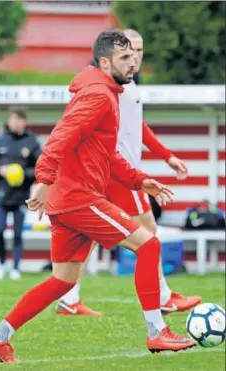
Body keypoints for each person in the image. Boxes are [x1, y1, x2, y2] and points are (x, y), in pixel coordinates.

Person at [0, 29, 196, 363]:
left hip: (70, 200)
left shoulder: (105, 92)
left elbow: (107, 155)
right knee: (149, 244)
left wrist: (139, 180)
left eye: (134, 55)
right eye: (125, 57)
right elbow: (60, 137)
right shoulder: (99, 94)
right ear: (106, 61)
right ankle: (157, 333)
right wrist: (43, 179)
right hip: (78, 199)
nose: (133, 63)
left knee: (62, 281)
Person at [56, 29, 202, 316]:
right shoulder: (109, 88)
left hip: (119, 172)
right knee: (149, 232)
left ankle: (69, 297)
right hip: (121, 174)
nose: (135, 56)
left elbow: (139, 127)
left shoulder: (128, 86)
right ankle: (162, 297)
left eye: (139, 51)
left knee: (91, 237)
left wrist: (167, 156)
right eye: (129, 50)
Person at [0, 107, 41, 280]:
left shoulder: (32, 142)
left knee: (18, 233)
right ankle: (1, 266)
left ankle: (16, 268)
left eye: (17, 119)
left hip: (21, 197)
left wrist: (25, 173)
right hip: (1, 196)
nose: (14, 123)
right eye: (11, 120)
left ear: (24, 121)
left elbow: (40, 167)